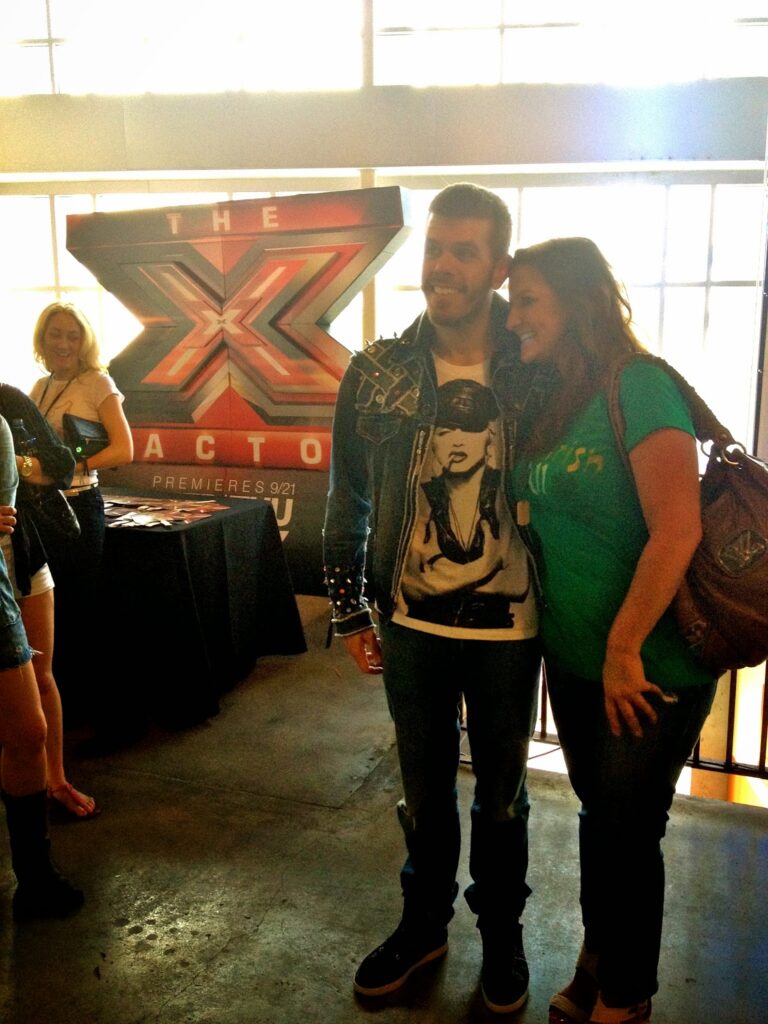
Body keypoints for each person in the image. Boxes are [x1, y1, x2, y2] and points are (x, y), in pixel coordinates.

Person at [323, 183, 541, 1013]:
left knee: (503, 796)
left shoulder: (537, 363)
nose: (443, 267)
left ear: (498, 267)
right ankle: (424, 925)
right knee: (423, 789)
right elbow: (347, 496)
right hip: (409, 623)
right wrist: (348, 607)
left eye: (464, 252)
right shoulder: (377, 369)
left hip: (513, 626)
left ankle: (503, 934)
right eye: (435, 248)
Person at [506, 237, 718, 1024]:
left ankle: (626, 996)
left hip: (649, 664)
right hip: (576, 660)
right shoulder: (558, 395)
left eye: (528, 300)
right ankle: (599, 959)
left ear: (579, 303)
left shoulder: (641, 385)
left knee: (628, 830)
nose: (513, 318)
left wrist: (624, 648)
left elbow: (677, 530)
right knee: (603, 820)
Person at [29, 302, 133, 743]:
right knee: (54, 620)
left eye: (73, 335)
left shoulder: (98, 383)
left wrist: (72, 468)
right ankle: (67, 714)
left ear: (84, 341)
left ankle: (110, 722)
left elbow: (125, 449)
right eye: (56, 334)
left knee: (82, 613)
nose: (64, 343)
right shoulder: (38, 388)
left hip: (80, 508)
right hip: (43, 512)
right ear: (43, 339)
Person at [0, 412, 84, 920]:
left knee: (29, 726)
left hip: (13, 577)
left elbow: (60, 464)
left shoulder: (5, 411)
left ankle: (35, 877)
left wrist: (24, 464)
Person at [0, 382, 97, 817]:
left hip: (24, 555)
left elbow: (61, 464)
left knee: (41, 677)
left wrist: (15, 463)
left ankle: (55, 780)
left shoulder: (8, 399)